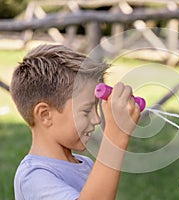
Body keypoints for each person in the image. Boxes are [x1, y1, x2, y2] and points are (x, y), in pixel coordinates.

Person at [11, 44, 141, 199]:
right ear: (45, 115)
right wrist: (115, 137)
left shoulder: (84, 164)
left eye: (96, 108)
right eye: (86, 111)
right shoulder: (33, 176)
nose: (97, 119)